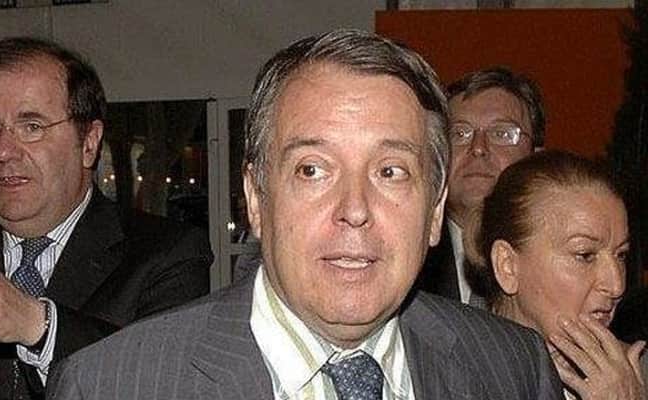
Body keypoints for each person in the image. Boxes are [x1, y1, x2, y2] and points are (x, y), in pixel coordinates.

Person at [47, 29, 562, 400]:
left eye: (390, 172)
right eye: (313, 170)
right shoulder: (111, 385)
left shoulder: (514, 367)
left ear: (433, 211)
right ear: (256, 198)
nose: (355, 210)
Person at [0, 37, 212, 400]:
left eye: (31, 127)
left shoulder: (168, 255)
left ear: (89, 143)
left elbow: (163, 382)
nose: (3, 151)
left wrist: (38, 325)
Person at [463, 150, 647, 399]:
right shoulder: (444, 375)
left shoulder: (639, 375)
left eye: (621, 255)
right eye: (585, 255)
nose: (616, 285)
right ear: (507, 266)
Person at [416, 66, 545, 305]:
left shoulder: (563, 259)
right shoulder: (409, 255)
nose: (478, 148)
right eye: (459, 133)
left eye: (502, 134)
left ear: (535, 159)